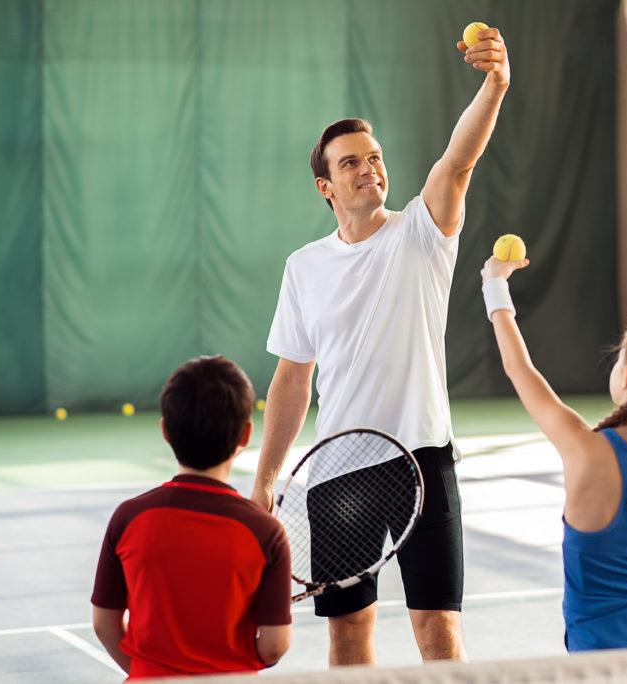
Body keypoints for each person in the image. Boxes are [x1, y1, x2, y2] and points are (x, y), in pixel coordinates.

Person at [250, 27, 511, 665]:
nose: (368, 169)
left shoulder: (422, 233)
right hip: (340, 469)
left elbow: (458, 160)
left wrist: (496, 83)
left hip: (426, 459)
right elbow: (291, 379)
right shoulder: (303, 267)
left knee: (438, 634)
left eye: (374, 157)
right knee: (349, 634)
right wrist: (265, 478)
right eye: (350, 162)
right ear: (325, 187)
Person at [479, 256, 627, 651]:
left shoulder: (582, 446)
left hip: (598, 651)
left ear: (626, 375)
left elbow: (519, 369)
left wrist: (494, 283)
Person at [91, 356, 292, 679]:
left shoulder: (128, 518)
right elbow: (274, 645)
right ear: (245, 435)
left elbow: (104, 624)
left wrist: (149, 671)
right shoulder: (265, 531)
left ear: (165, 431)